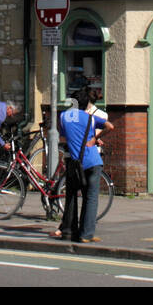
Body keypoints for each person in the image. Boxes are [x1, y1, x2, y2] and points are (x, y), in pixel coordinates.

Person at [54, 89, 112, 243]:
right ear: (87, 104)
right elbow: (110, 126)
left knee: (71, 196)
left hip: (74, 162)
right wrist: (94, 139)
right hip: (92, 161)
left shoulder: (63, 117)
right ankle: (86, 234)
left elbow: (65, 136)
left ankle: (68, 230)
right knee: (90, 198)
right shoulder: (91, 118)